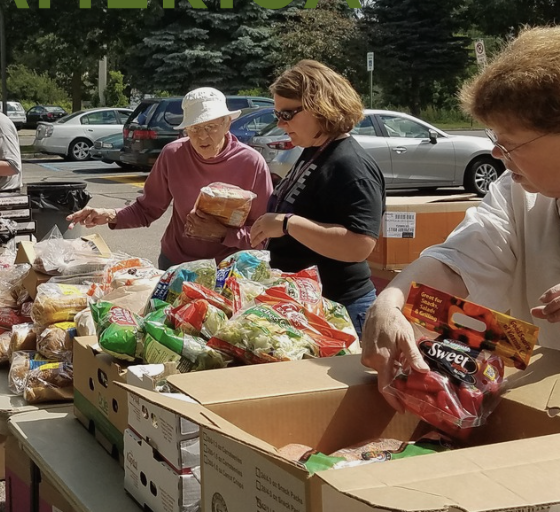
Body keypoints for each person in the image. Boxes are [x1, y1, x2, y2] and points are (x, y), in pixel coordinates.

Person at [362, 26, 560, 398]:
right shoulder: (516, 193)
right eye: (494, 140)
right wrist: (391, 300)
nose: (497, 156)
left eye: (510, 143)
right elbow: (459, 260)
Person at [249, 61, 385, 338]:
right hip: (307, 307)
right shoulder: (314, 150)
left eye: (287, 113)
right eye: (277, 113)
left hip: (340, 310)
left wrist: (288, 224)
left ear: (321, 107)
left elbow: (360, 245)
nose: (280, 123)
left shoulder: (351, 164)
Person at [67, 87, 273, 269]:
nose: (202, 136)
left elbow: (262, 235)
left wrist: (223, 233)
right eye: (194, 128)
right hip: (176, 264)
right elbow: (147, 209)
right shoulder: (172, 154)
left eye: (210, 127)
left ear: (227, 123)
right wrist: (109, 214)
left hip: (228, 269)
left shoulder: (251, 163)